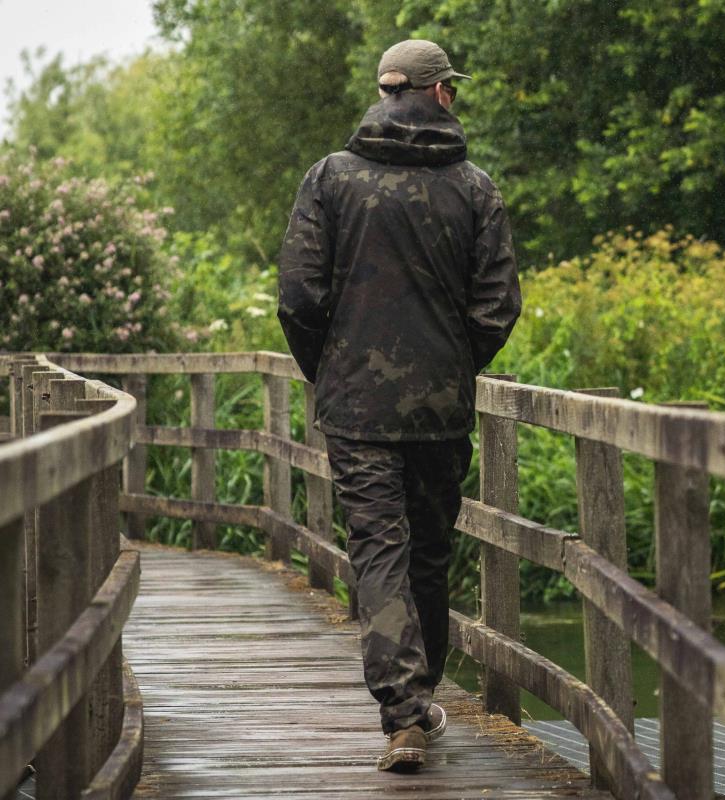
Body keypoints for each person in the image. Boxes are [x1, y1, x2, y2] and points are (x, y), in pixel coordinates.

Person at [278, 39, 520, 772]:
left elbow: (299, 296)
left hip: (355, 407)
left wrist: (330, 372)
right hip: (440, 410)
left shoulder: (330, 179)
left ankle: (405, 714)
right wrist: (451, 367)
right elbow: (498, 304)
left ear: (386, 93)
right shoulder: (474, 187)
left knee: (379, 550)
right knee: (429, 551)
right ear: (439, 93)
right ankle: (421, 698)